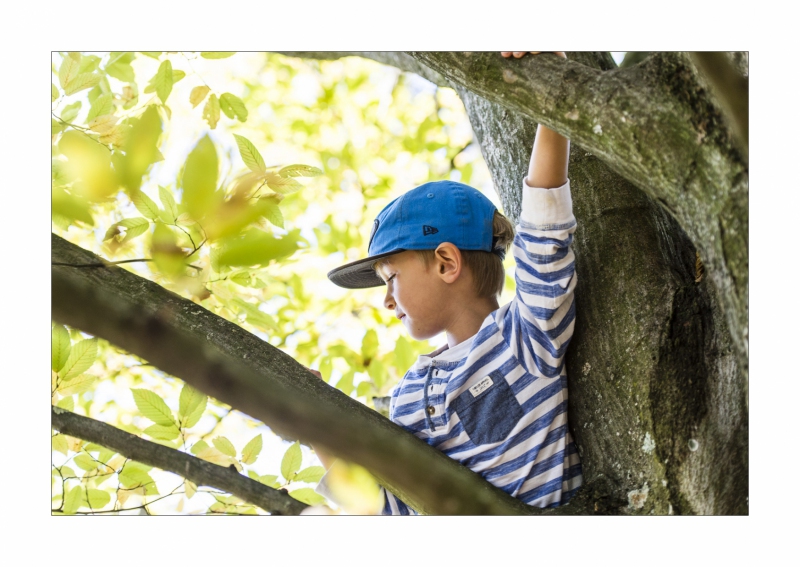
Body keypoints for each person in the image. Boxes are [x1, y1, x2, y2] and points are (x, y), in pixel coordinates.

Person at [319, 52, 582, 514]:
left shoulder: (523, 338)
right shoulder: (407, 396)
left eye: (391, 278)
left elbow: (544, 228)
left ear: (445, 262)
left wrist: (556, 84)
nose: (385, 301)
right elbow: (390, 510)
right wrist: (305, 419)